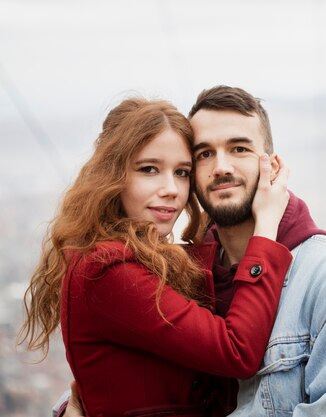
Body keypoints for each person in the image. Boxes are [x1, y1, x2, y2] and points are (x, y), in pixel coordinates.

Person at [60, 85, 326, 416]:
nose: (221, 166)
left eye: (239, 149)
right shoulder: (182, 273)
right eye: (204, 154)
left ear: (273, 167)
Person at [19, 97, 294, 417]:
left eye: (182, 172)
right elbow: (237, 352)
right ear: (113, 176)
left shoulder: (145, 257)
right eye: (149, 169)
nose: (172, 189)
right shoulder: (107, 270)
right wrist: (266, 228)